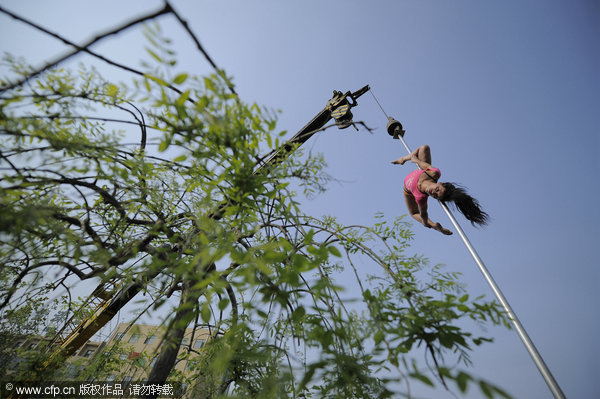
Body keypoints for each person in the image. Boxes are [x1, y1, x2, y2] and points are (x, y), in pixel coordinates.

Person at [391, 144, 488, 235]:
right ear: (440, 183)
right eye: (437, 189)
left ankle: (434, 226)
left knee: (414, 213)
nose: (433, 192)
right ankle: (403, 159)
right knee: (424, 147)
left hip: (408, 190)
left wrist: (427, 224)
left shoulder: (421, 197)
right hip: (422, 172)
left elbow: (423, 214)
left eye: (435, 196)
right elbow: (426, 166)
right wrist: (415, 160)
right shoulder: (434, 173)